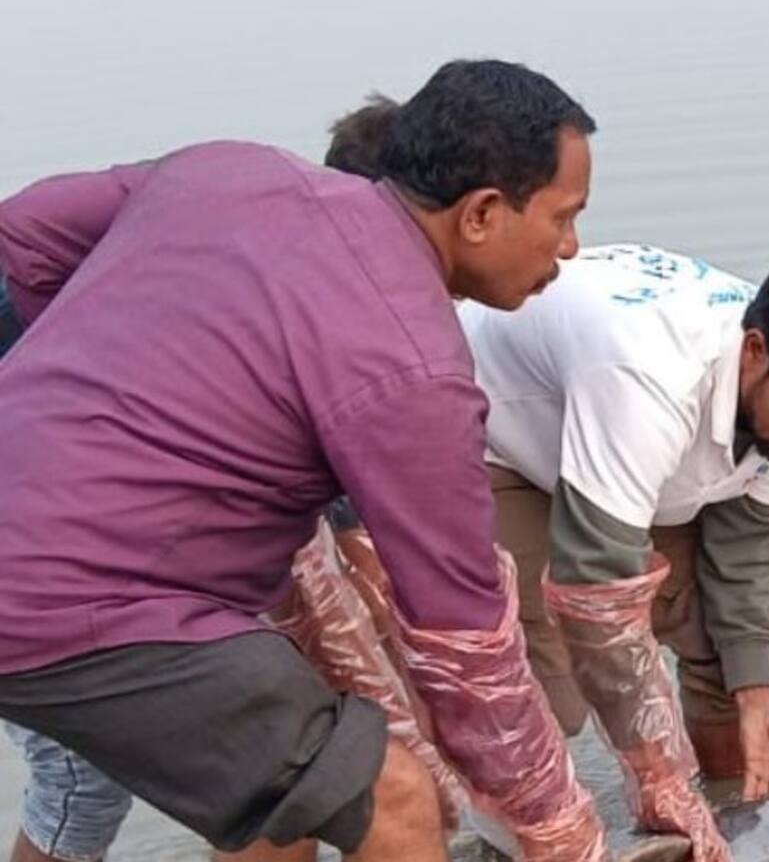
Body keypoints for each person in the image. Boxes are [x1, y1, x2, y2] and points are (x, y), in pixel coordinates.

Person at [0, 61, 625, 862]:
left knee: (294, 800)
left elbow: (22, 236)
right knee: (393, 797)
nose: (571, 249)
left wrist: (85, 377)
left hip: (74, 563)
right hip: (85, 598)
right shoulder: (414, 369)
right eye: (564, 218)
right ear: (482, 214)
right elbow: (468, 650)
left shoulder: (227, 172)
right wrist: (561, 829)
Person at [1, 95, 457, 862]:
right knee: (81, 778)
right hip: (49, 573)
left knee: (298, 764)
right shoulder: (300, 293)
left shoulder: (252, 261)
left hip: (77, 545)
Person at [461, 244, 769, 820]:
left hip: (635, 455)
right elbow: (598, 592)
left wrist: (759, 692)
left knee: (725, 658)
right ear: (754, 352)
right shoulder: (650, 377)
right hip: (502, 441)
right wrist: (658, 772)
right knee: (542, 700)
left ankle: (733, 818)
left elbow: (746, 539)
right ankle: (517, 841)